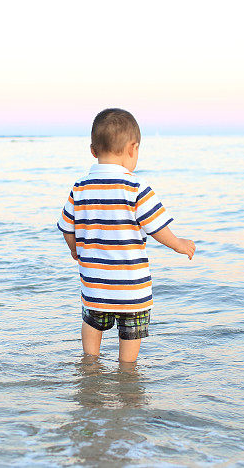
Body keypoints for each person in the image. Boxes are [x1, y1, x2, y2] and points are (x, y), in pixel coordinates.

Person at [57, 108, 196, 363]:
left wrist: (74, 249)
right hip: (132, 289)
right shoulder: (136, 187)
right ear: (133, 148)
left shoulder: (80, 187)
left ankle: (89, 364)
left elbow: (67, 227)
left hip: (95, 285)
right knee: (130, 338)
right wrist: (178, 244)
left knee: (92, 324)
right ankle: (127, 373)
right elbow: (156, 227)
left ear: (93, 150)